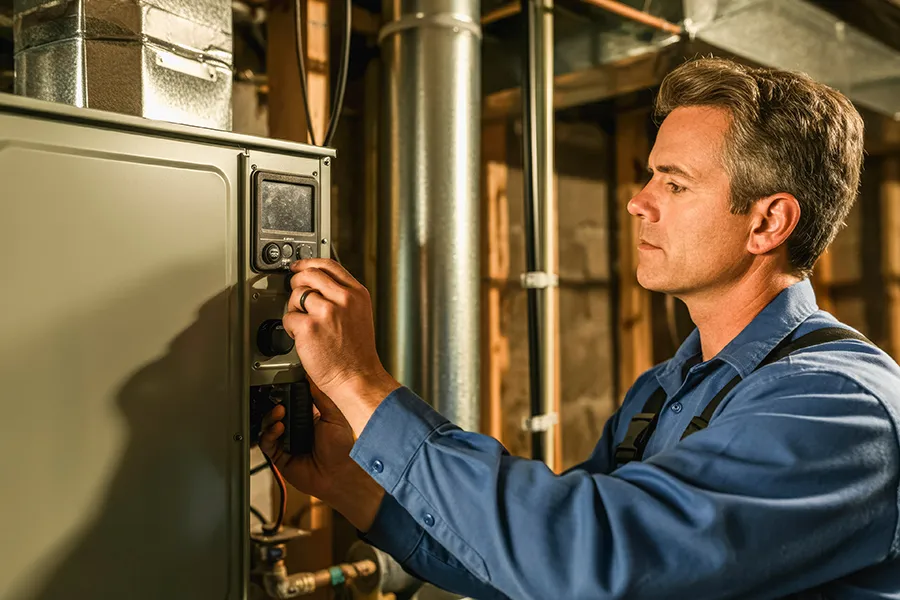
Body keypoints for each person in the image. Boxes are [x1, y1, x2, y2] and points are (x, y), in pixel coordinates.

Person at [260, 57, 900, 599]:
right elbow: (533, 567)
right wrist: (353, 485)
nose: (638, 201)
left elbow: (594, 561)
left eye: (674, 184)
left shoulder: (838, 407)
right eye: (650, 175)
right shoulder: (661, 394)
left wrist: (358, 384)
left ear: (767, 223)